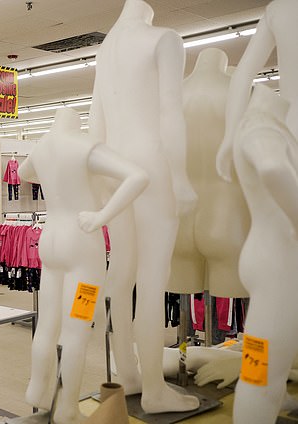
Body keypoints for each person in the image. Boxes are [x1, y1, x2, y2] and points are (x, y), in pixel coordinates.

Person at [88, 0, 199, 413]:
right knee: (153, 278)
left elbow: (95, 121)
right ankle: (154, 390)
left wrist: (100, 181)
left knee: (121, 275)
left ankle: (129, 374)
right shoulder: (164, 39)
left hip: (116, 166)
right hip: (152, 166)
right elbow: (171, 113)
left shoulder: (106, 50)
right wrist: (182, 176)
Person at [18, 107, 148, 424]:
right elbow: (139, 176)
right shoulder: (86, 145)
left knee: (47, 323)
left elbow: (23, 174)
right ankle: (66, 408)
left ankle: (36, 388)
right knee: (76, 329)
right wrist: (102, 216)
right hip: (81, 242)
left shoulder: (41, 146)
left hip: (50, 242)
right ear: (79, 122)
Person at [231, 84, 298, 423]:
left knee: (270, 366)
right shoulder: (261, 126)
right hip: (278, 264)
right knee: (262, 377)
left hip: (272, 255)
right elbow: (273, 169)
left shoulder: (265, 123)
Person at [169, 48, 249, 298]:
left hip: (178, 219)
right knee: (232, 301)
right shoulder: (240, 93)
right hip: (227, 216)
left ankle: (186, 337)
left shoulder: (171, 97)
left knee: (182, 297)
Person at [217, 0, 298, 182]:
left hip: (290, 131)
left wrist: (231, 135)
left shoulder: (277, 9)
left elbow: (243, 75)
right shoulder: (277, 9)